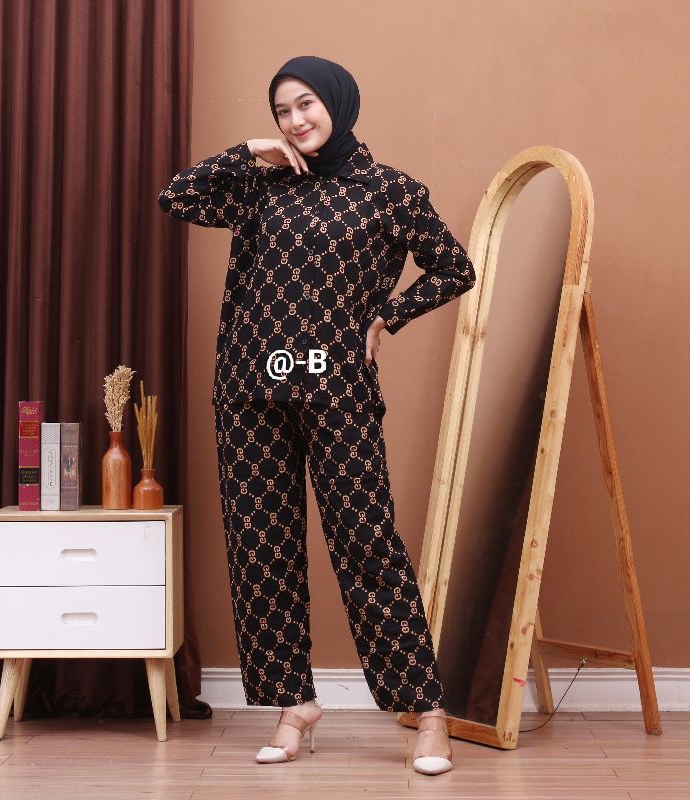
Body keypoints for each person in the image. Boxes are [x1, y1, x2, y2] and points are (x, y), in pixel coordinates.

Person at [158, 55, 476, 776]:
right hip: (250, 389)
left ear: (338, 101)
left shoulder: (390, 191)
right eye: (282, 111)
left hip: (338, 392)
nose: (295, 120)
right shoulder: (260, 186)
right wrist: (249, 151)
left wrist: (388, 314)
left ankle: (428, 712)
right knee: (261, 551)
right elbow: (177, 197)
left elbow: (454, 267)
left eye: (306, 104)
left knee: (367, 545)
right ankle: (293, 705)